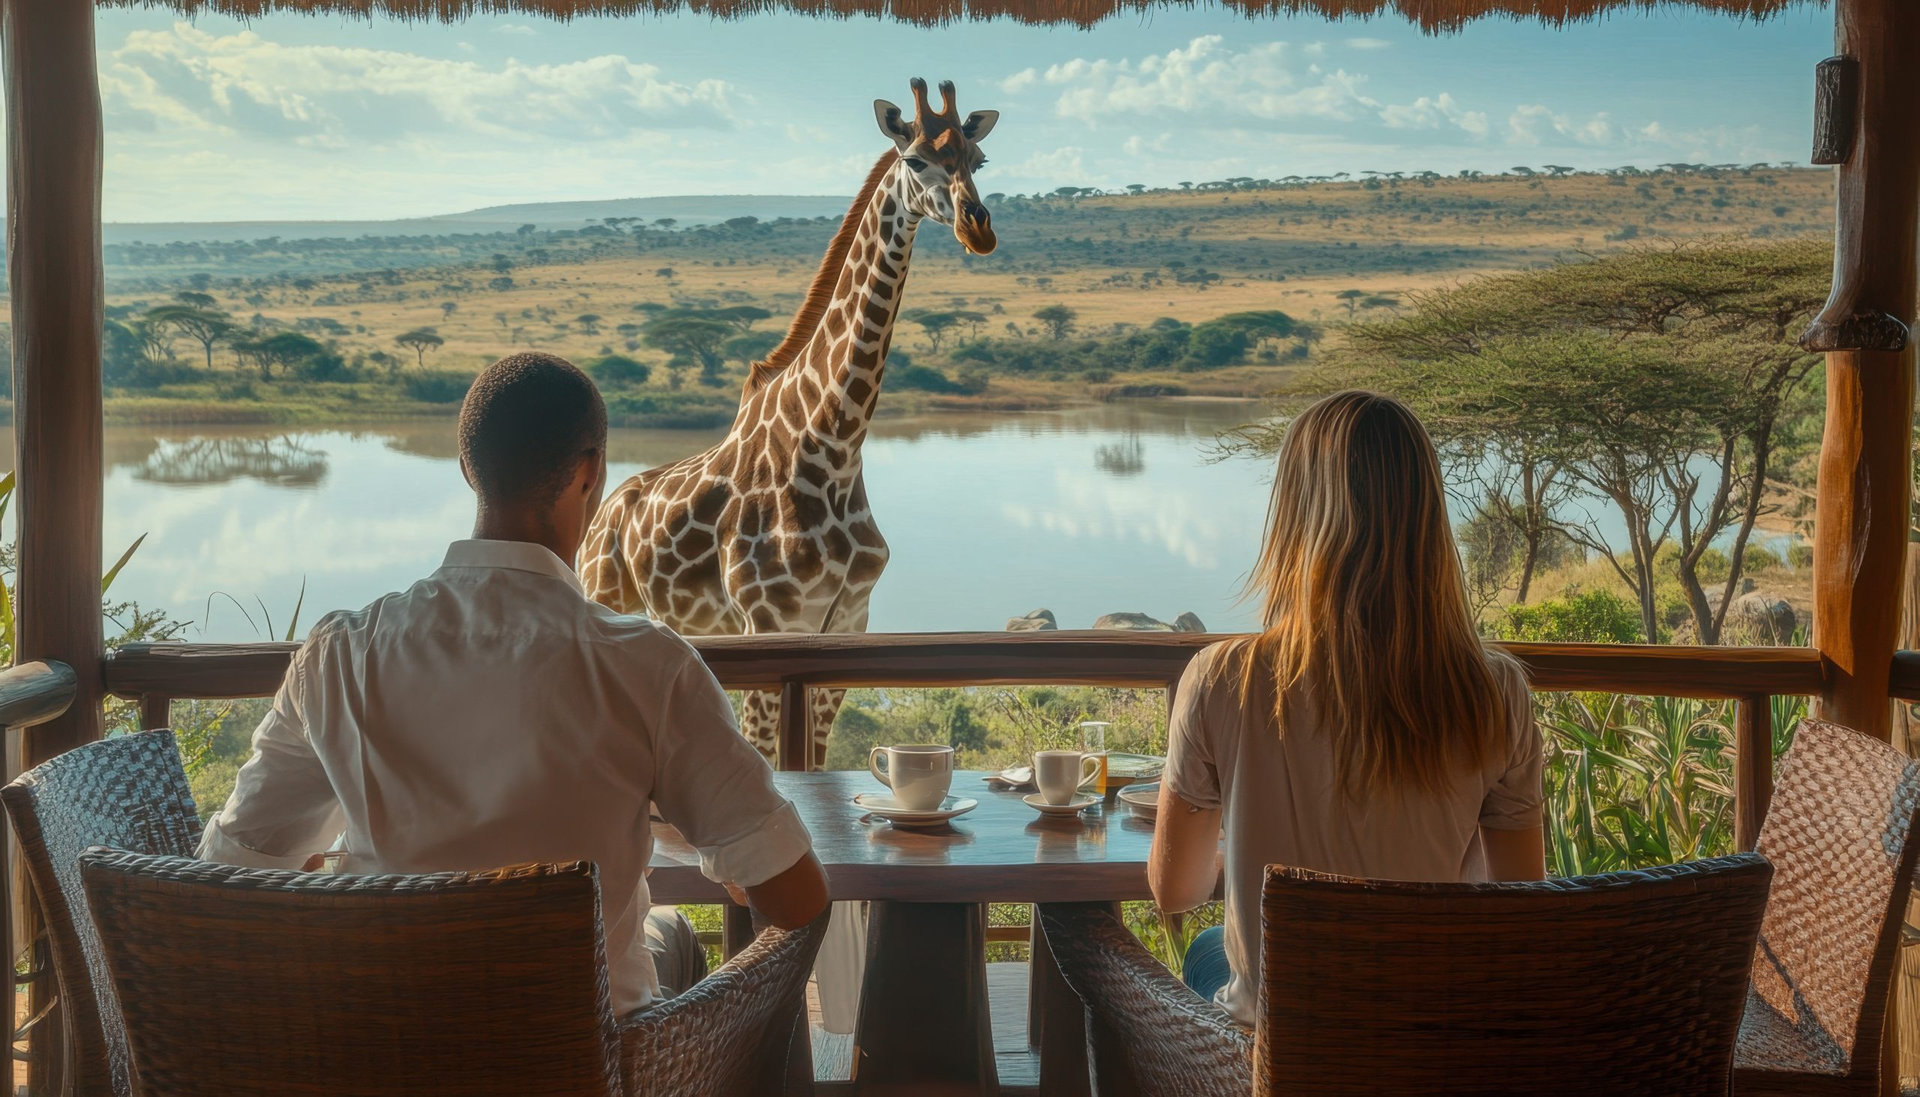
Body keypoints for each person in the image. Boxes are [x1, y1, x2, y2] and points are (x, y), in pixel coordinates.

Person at [199, 351, 829, 1012]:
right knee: (672, 939)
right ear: (591, 473)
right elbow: (796, 898)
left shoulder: (339, 655)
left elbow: (229, 870)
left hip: (387, 1049)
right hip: (594, 1062)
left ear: (469, 468)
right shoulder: (649, 666)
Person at [1149, 390, 1545, 1027]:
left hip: (1281, 1051)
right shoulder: (1496, 692)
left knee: (1206, 950)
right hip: (1428, 1042)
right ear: (1427, 519)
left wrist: (1238, 845)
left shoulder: (1223, 677)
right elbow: (1518, 906)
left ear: (1295, 520)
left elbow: (1176, 890)